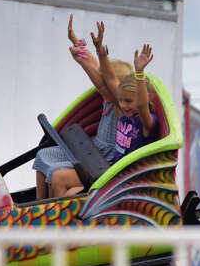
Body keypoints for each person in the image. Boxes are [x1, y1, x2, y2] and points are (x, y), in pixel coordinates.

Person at [32, 15, 134, 199]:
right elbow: (93, 67)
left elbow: (107, 79)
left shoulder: (121, 107)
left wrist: (100, 50)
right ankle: (39, 202)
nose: (99, 83)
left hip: (104, 163)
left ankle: (52, 215)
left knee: (57, 174)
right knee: (43, 155)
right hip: (93, 151)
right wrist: (77, 44)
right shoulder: (107, 96)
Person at [50, 26, 158, 196]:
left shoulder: (142, 121)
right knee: (56, 174)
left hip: (118, 179)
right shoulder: (124, 112)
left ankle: (55, 219)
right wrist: (96, 49)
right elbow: (104, 78)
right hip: (108, 170)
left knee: (59, 178)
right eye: (121, 99)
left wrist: (139, 72)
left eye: (128, 100)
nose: (123, 104)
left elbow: (140, 103)